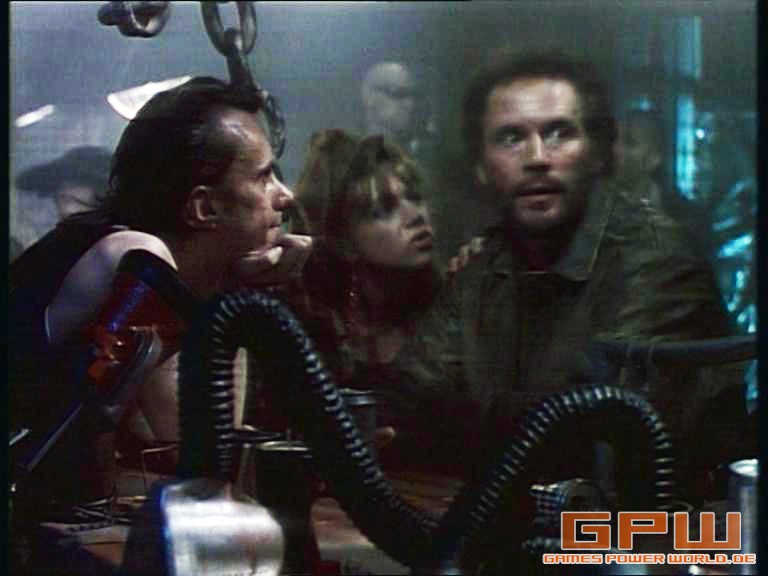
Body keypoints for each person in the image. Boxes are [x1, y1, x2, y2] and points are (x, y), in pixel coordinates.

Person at [386, 51, 753, 504]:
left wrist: (465, 417)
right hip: (527, 524)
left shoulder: (657, 259)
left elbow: (591, 432)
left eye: (559, 133)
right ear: (481, 166)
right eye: (511, 138)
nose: (537, 158)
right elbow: (408, 401)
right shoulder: (486, 262)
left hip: (648, 535)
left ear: (597, 154)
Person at [9, 77, 312, 518]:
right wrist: (237, 293)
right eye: (264, 177)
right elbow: (197, 453)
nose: (286, 196)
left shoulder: (163, 272)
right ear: (203, 208)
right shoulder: (136, 258)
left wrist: (236, 287)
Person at [262, 130, 440, 464]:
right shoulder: (304, 322)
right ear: (342, 232)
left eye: (415, 197)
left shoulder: (446, 305)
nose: (416, 215)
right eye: (383, 209)